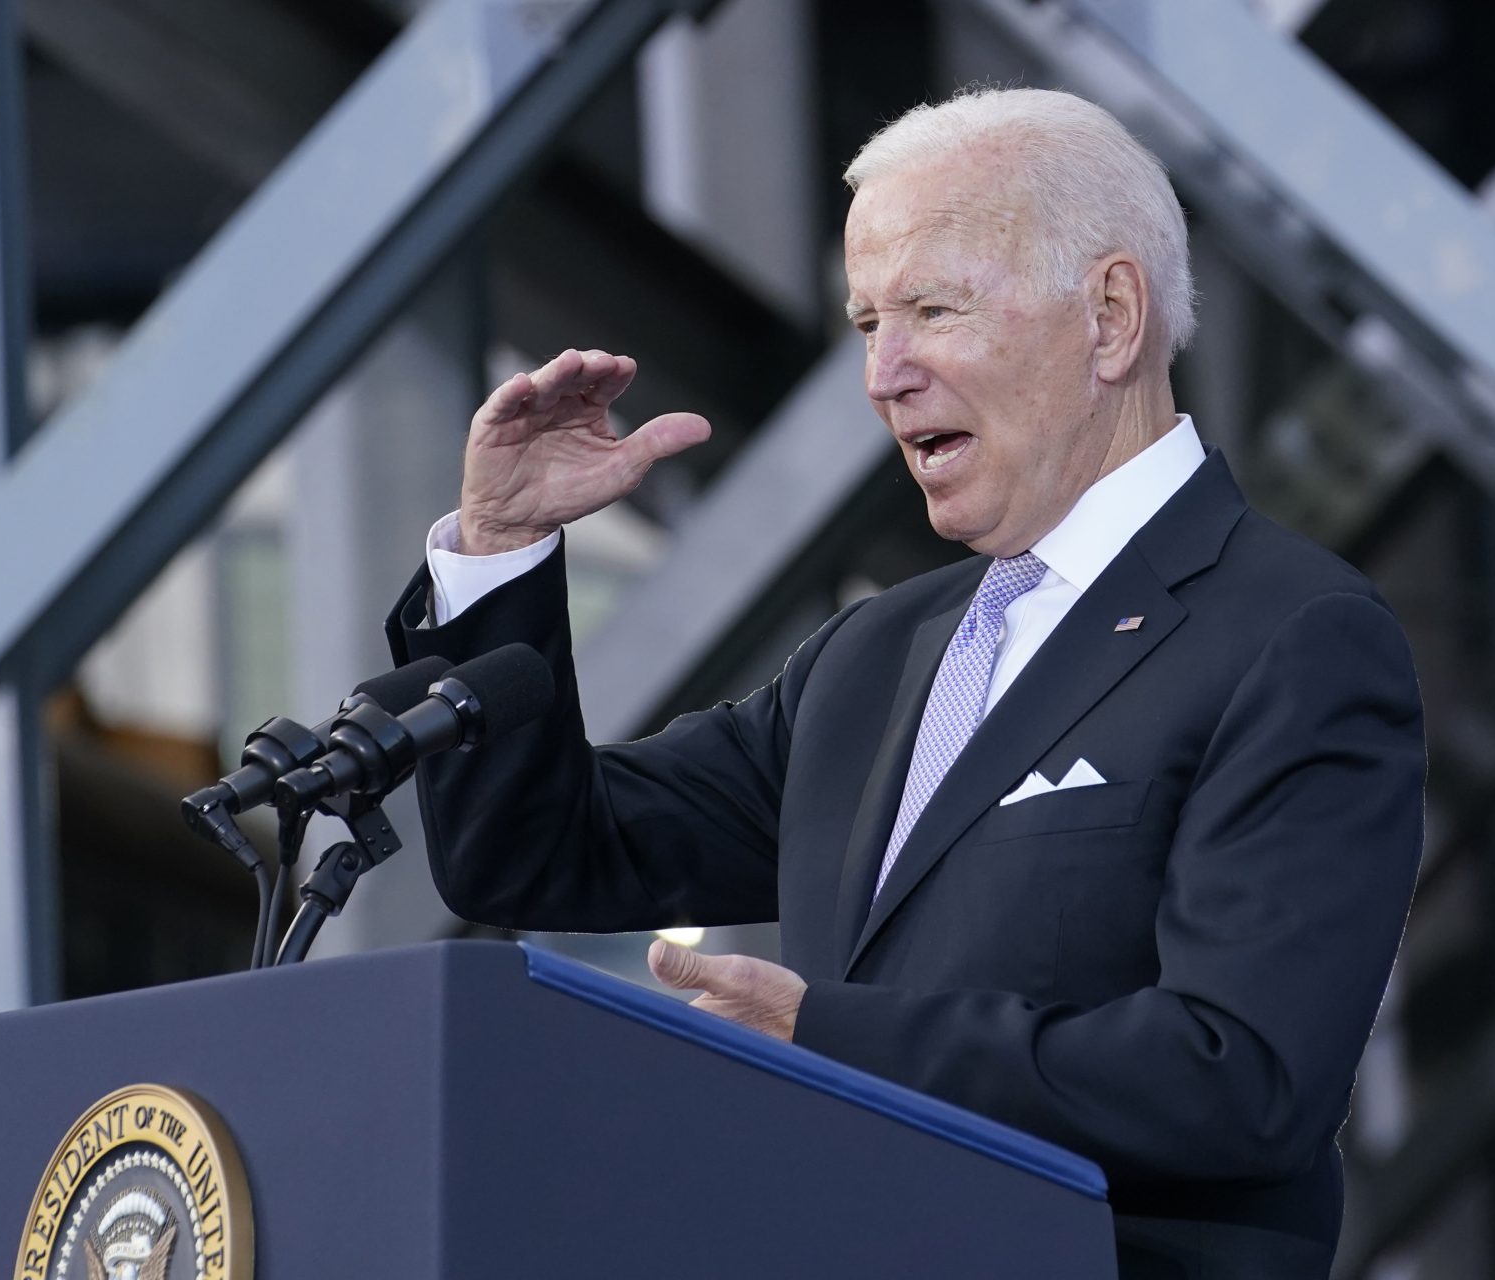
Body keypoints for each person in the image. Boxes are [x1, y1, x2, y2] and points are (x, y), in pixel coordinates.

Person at [386, 87, 1422, 1279]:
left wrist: (818, 1034)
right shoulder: (873, 657)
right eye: (867, 320)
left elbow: (1243, 1076)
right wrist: (501, 550)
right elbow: (539, 854)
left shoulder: (1293, 633)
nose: (884, 373)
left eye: (932, 307)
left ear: (1112, 315)